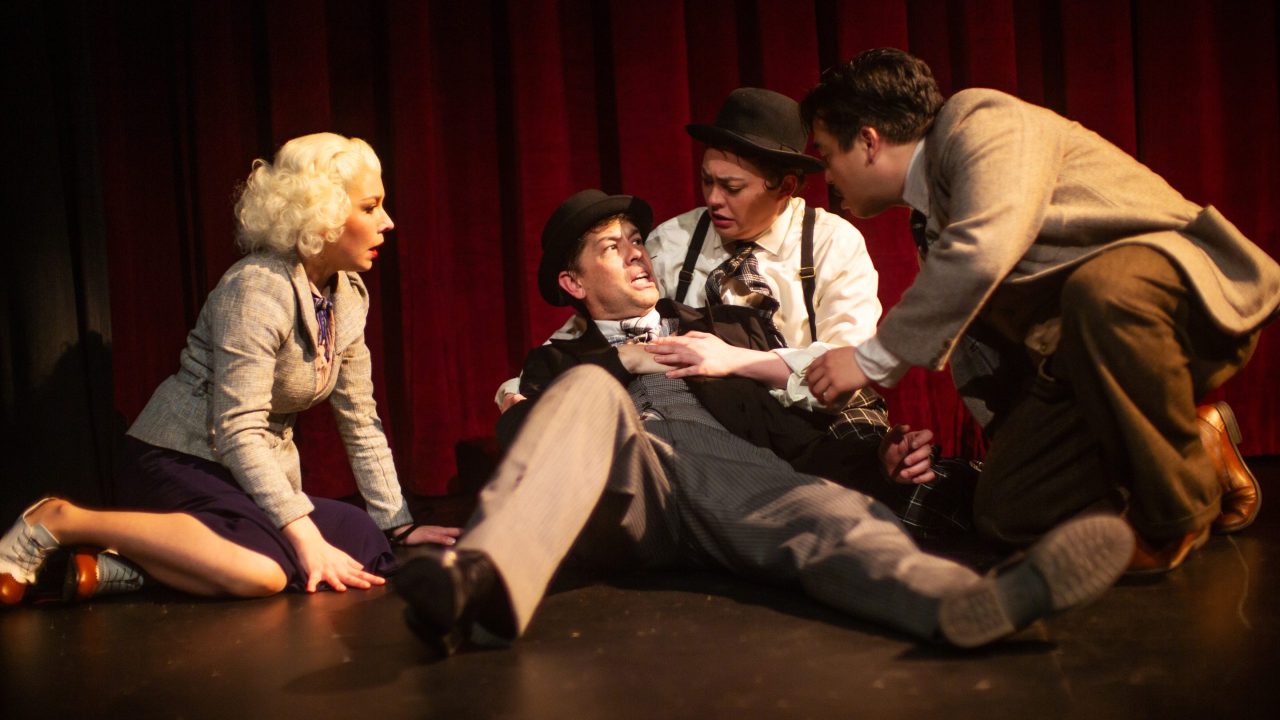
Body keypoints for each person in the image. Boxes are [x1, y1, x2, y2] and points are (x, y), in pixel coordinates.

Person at [394, 189, 1134, 657]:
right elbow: (531, 454)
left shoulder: (723, 328)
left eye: (634, 239)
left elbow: (787, 428)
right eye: (609, 247)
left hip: (736, 478)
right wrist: (606, 375)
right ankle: (476, 585)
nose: (634, 252)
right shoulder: (555, 365)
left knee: (833, 517)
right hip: (632, 496)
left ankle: (970, 603)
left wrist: (877, 457)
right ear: (573, 283)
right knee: (589, 387)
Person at [798, 48, 1278, 572]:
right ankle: (1197, 447)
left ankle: (1175, 514)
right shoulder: (932, 223)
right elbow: (988, 346)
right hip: (1080, 362)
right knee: (1009, 512)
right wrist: (1022, 447)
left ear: (868, 141)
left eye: (826, 156)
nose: (828, 177)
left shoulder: (979, 122)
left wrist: (869, 359)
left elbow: (984, 248)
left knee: (1102, 291)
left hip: (1181, 306)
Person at [1, 133, 458, 606]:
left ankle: (138, 568)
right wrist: (303, 535)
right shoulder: (257, 288)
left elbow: (360, 416)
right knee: (266, 573)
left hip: (247, 476)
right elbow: (238, 429)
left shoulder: (348, 296)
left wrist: (399, 524)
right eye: (370, 207)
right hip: (182, 462)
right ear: (322, 216)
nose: (387, 221)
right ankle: (62, 520)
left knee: (363, 537)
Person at [497, 88, 886, 439]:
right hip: (709, 424)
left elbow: (846, 366)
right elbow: (594, 326)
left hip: (809, 424)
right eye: (706, 182)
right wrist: (522, 390)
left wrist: (733, 360)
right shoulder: (676, 238)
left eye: (732, 188)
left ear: (785, 187)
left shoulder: (830, 241)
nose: (714, 199)